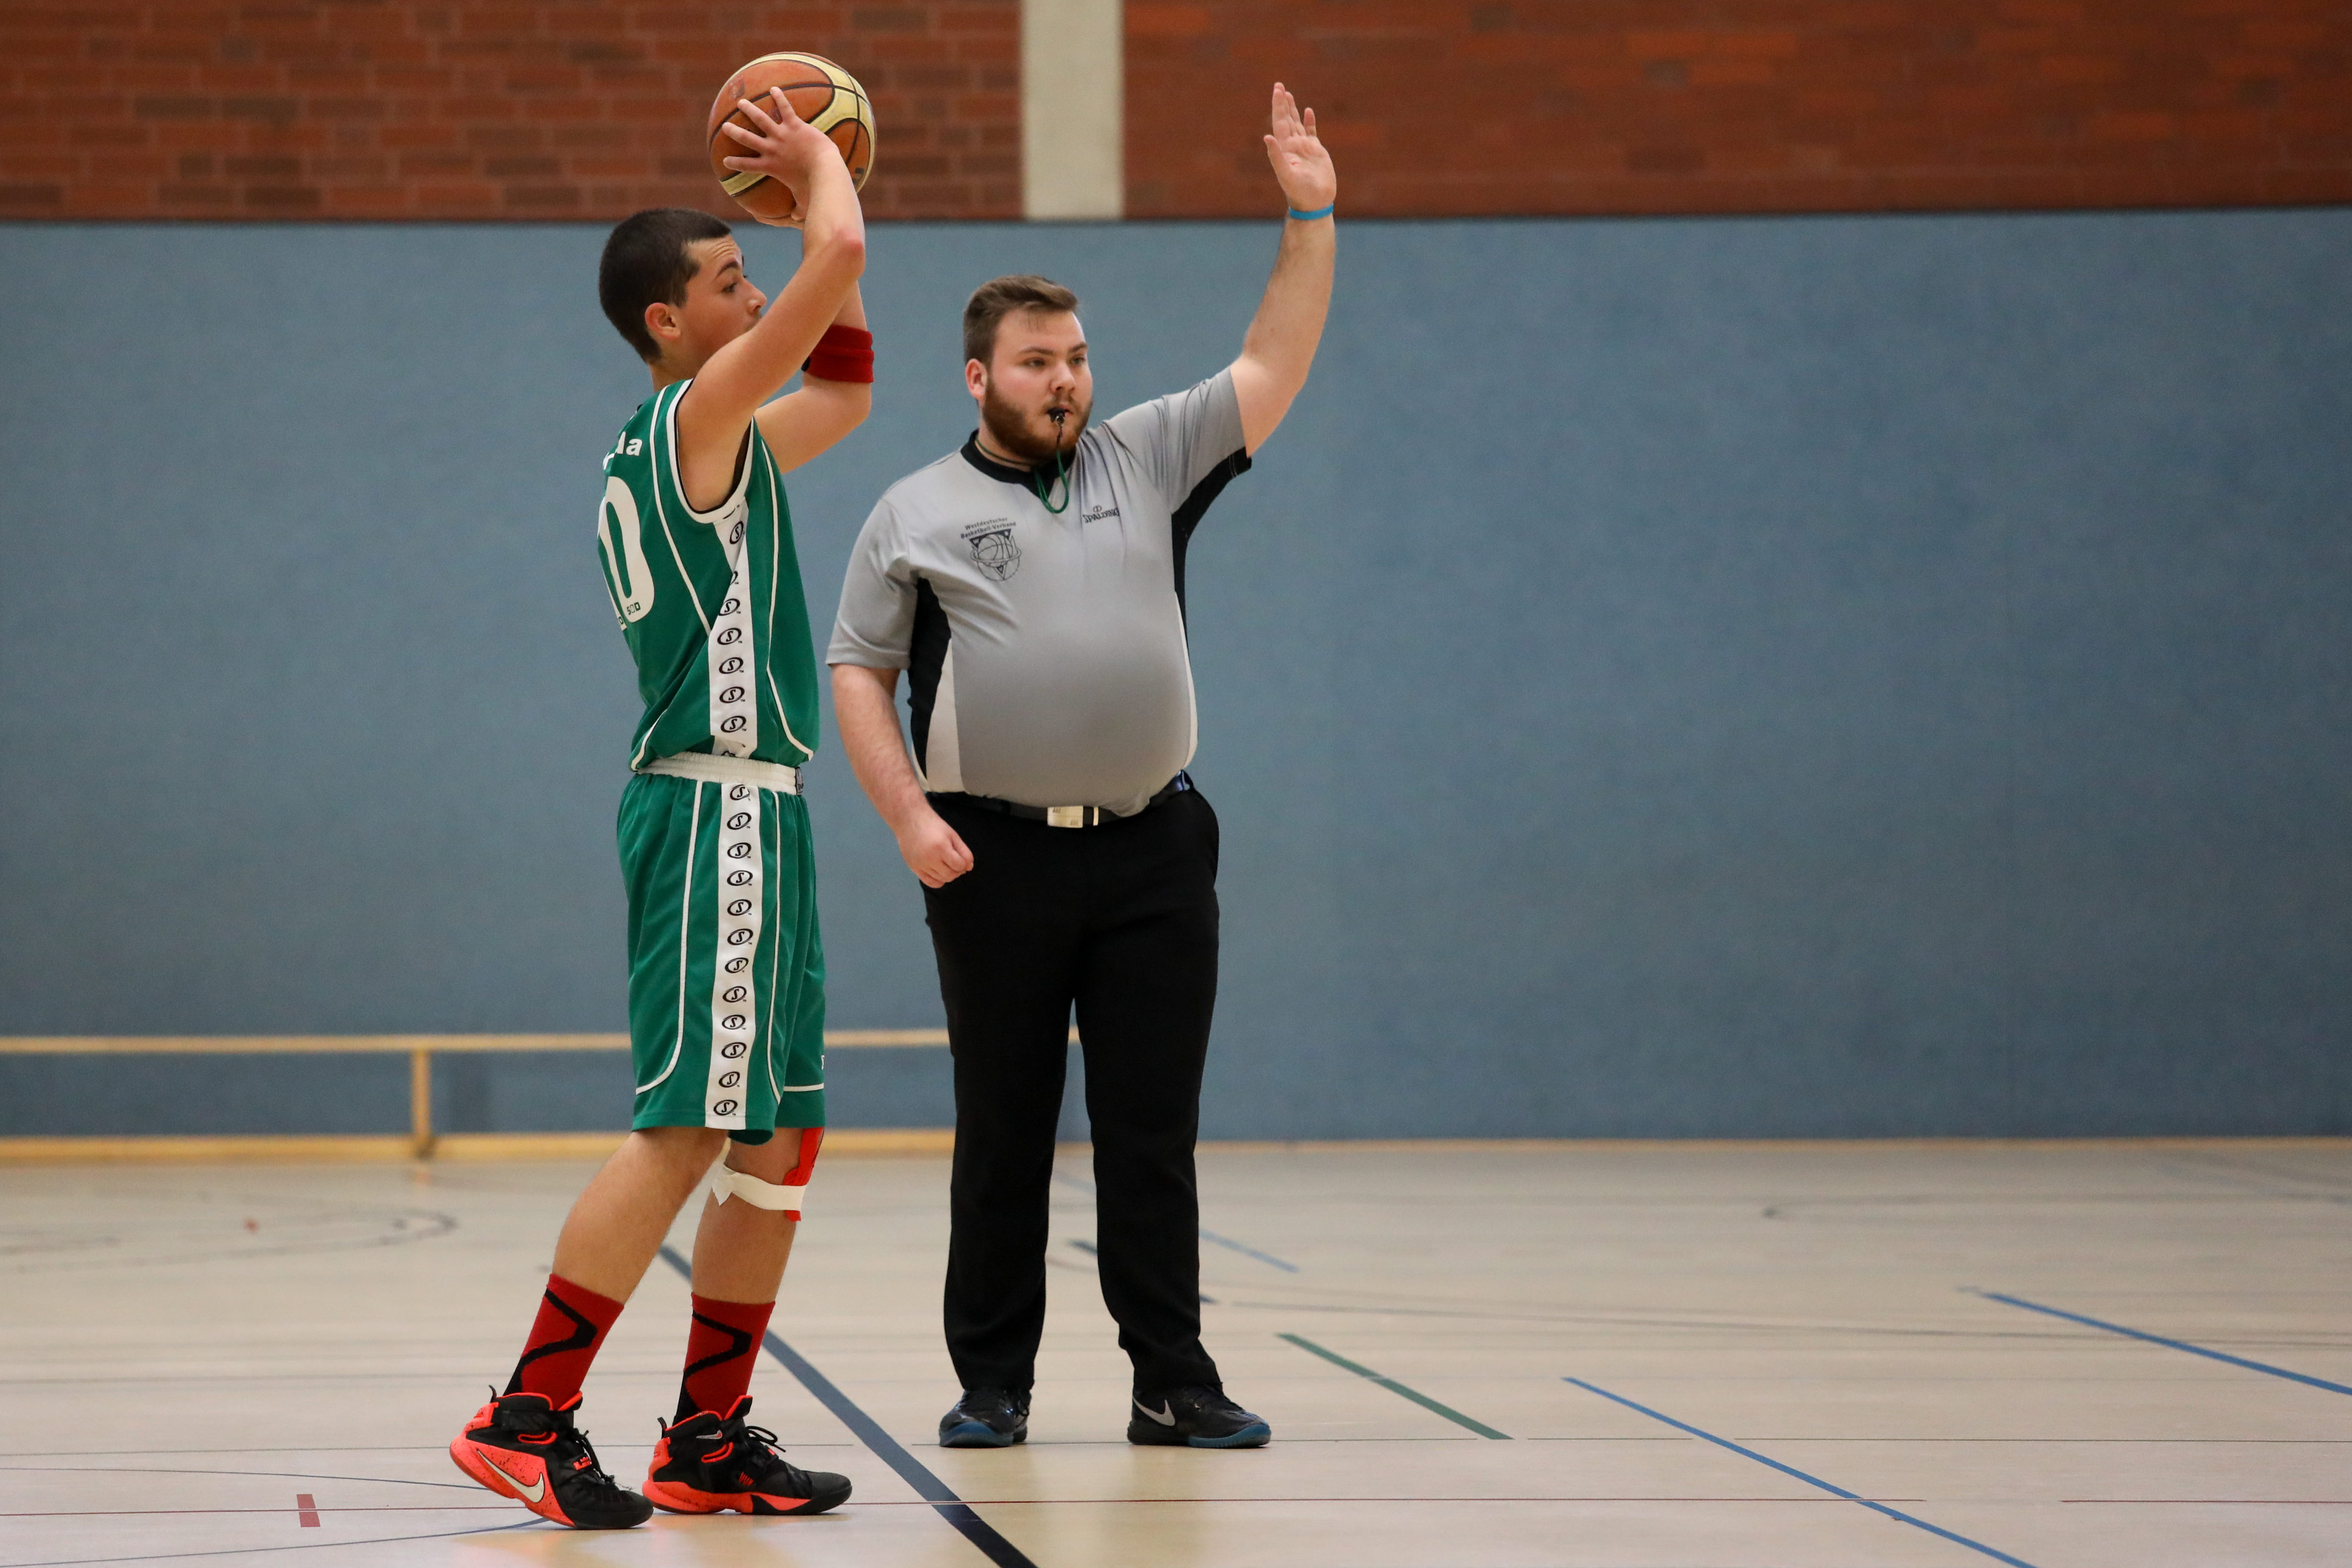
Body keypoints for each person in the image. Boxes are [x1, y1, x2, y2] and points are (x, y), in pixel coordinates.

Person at [827, 83, 1336, 1450]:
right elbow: (857, 673)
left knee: (1150, 1129)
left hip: (1155, 847)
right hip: (991, 857)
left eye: (1078, 357)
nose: (1066, 379)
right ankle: (994, 1384)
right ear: (979, 377)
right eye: (1037, 361)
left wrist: (1311, 214)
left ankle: (1172, 1379)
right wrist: (907, 818)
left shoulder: (1150, 457)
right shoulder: (914, 512)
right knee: (1004, 1130)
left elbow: (1275, 363)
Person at [446, 88, 874, 1529]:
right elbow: (834, 265)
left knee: (777, 1140)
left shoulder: (719, 436)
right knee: (688, 1124)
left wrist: (820, 231)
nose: (754, 295)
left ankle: (707, 1438)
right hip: (713, 812)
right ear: (667, 324)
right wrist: (819, 179)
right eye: (729, 282)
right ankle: (526, 1415)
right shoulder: (693, 421)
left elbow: (848, 390)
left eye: (753, 276)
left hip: (765, 815)